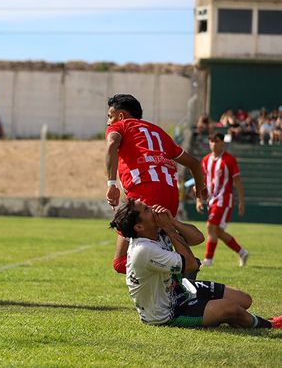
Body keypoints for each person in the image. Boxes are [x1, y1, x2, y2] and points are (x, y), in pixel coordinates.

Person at [110, 199, 280, 329]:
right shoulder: (144, 250)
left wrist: (173, 223)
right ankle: (269, 324)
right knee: (231, 308)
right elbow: (191, 265)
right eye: (146, 209)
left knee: (244, 300)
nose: (153, 209)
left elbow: (198, 238)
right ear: (139, 226)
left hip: (181, 289)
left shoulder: (155, 229)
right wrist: (169, 229)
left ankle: (231, 318)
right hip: (167, 312)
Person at [105, 94, 206, 275]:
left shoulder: (120, 126)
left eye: (109, 116)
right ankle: (184, 264)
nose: (108, 122)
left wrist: (111, 184)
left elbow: (112, 144)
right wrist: (200, 188)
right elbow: (194, 163)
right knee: (163, 242)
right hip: (170, 196)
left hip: (143, 199)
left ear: (120, 116)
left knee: (120, 263)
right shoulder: (158, 132)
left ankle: (180, 266)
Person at [196, 132, 248, 267]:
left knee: (210, 227)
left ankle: (208, 260)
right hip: (211, 200)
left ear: (222, 143)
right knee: (217, 232)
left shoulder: (229, 160)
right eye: (211, 141)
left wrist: (241, 201)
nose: (213, 144)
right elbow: (201, 181)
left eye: (216, 141)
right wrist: (199, 200)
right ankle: (242, 252)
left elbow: (237, 181)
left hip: (224, 200)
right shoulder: (205, 160)